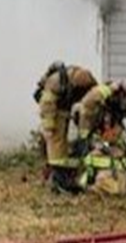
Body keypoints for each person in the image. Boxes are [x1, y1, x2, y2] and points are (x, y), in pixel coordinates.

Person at [33, 62, 99, 193]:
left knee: (60, 148)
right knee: (56, 148)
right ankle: (59, 182)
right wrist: (49, 127)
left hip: (62, 114)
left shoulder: (67, 82)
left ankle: (61, 178)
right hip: (55, 117)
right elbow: (47, 106)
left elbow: (79, 101)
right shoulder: (55, 84)